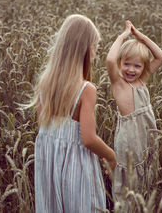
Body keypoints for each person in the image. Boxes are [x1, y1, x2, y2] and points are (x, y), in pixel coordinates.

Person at [28, 14, 117, 212]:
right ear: (84, 49)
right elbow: (88, 139)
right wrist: (111, 156)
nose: (96, 52)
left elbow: (42, 127)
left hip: (48, 165)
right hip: (77, 168)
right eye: (95, 47)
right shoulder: (86, 89)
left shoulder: (44, 84)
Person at [106, 20, 162, 203]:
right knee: (129, 178)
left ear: (144, 68)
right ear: (120, 63)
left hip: (146, 136)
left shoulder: (142, 80)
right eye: (127, 64)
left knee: (146, 175)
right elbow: (110, 59)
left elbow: (161, 56)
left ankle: (143, 202)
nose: (132, 70)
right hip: (129, 140)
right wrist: (123, 36)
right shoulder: (119, 84)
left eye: (137, 66)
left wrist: (141, 37)